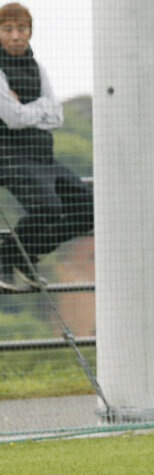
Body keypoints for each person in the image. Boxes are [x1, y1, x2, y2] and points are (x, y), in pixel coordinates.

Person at [0, 2, 92, 290]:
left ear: (30, 31)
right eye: (7, 29)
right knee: (48, 208)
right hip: (11, 158)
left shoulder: (37, 67)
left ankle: (23, 254)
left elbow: (57, 116)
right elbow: (12, 118)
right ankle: (7, 256)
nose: (16, 36)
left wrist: (29, 107)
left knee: (88, 208)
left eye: (21, 29)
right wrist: (41, 107)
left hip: (43, 157)